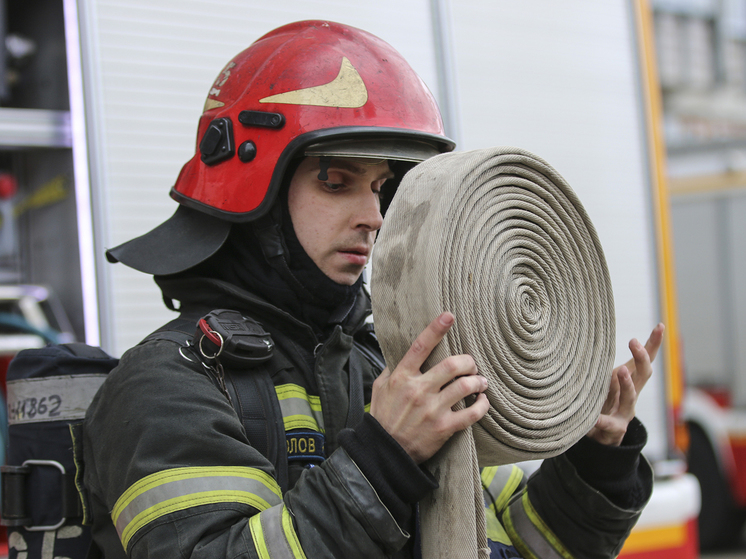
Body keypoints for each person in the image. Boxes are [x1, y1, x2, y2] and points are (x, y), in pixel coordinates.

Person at [82, 20, 660, 559]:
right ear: (253, 188)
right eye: (336, 181)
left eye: (382, 187)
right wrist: (383, 460)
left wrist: (597, 458)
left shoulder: (394, 370)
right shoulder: (165, 385)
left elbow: (520, 544)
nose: (374, 216)